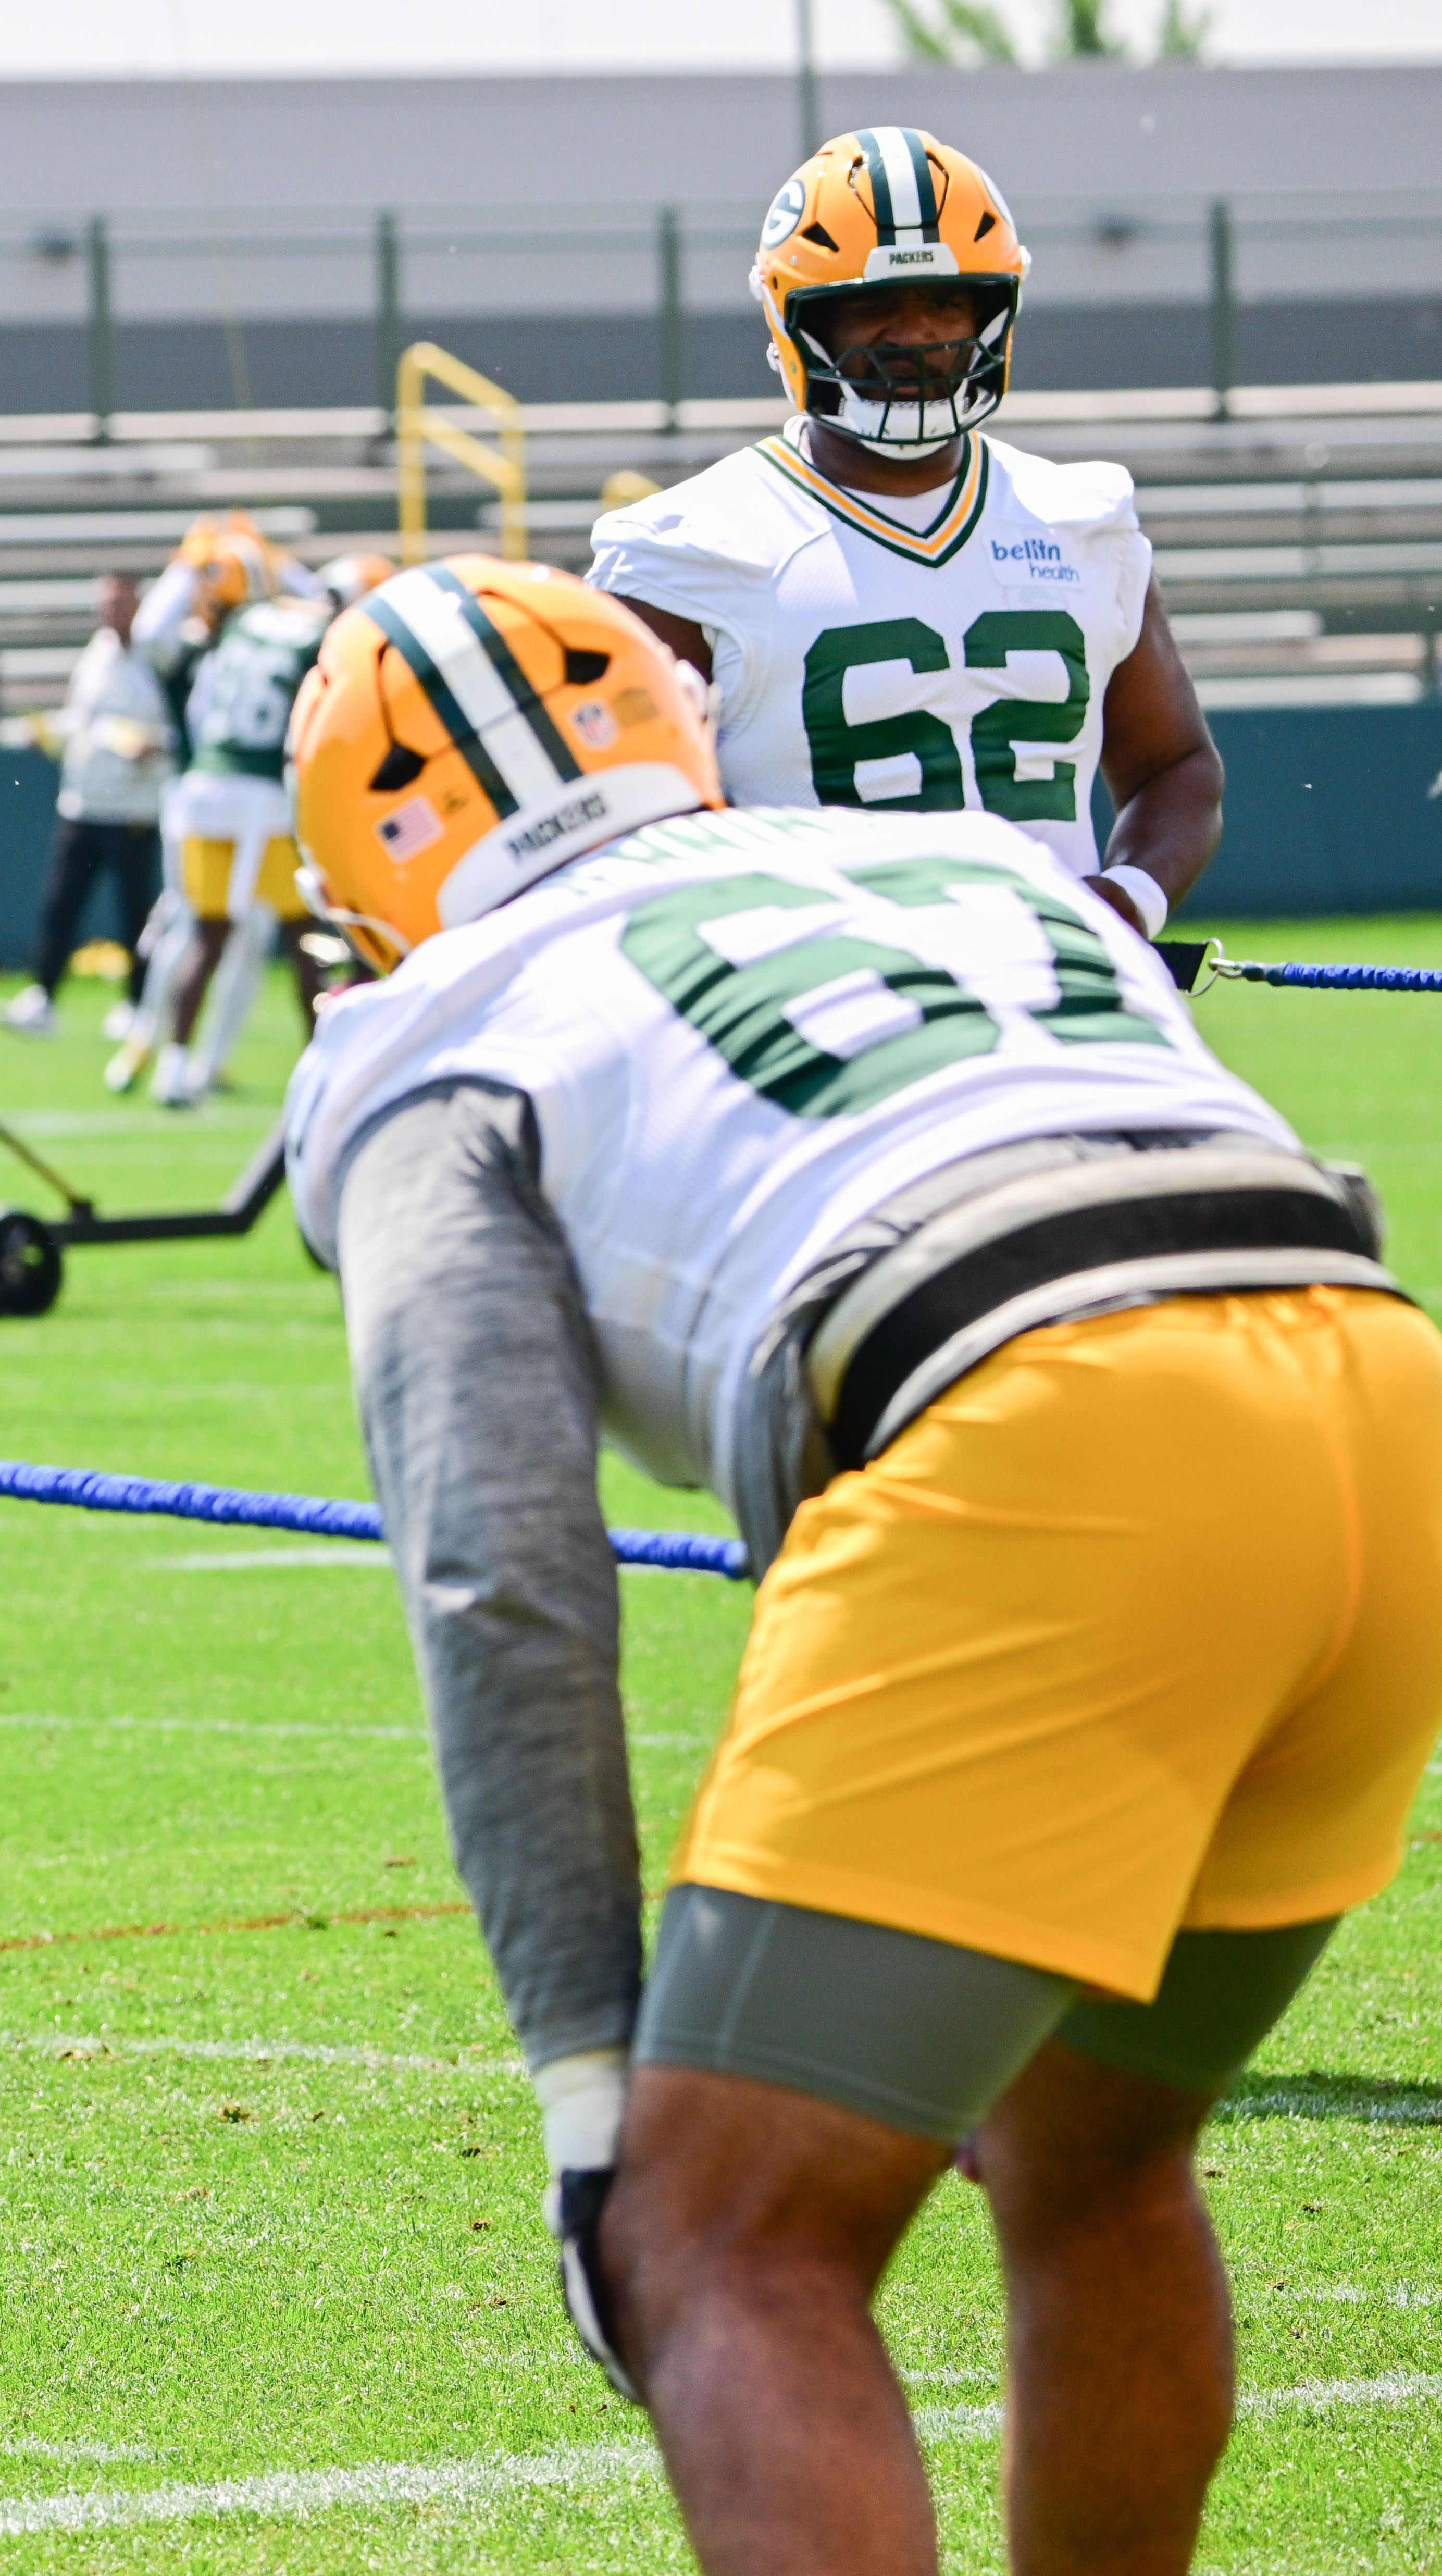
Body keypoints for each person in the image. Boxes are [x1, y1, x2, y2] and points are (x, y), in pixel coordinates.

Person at [279, 557, 1438, 2572]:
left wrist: (585, 2092)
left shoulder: (429, 1020)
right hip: (1371, 1376)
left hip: (1038, 1411)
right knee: (1094, 2157)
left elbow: (499, 1560)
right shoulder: (966, 861)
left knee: (720, 2243)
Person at [590, 128, 1221, 947]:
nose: (916, 334)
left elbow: (1176, 768)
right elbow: (619, 835)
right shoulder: (685, 551)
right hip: (826, 1026)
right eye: (870, 306)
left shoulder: (1081, 520)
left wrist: (1128, 898)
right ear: (795, 319)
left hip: (1064, 1004)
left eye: (948, 301)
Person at [136, 547, 393, 1109]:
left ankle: (173, 1066)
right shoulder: (324, 636)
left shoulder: (250, 621)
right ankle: (323, 1063)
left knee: (208, 931)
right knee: (303, 930)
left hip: (204, 785)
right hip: (262, 793)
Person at [0, 569, 168, 1045]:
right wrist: (47, 732)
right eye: (105, 602)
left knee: (136, 913)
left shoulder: (159, 657)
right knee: (60, 906)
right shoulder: (97, 654)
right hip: (83, 804)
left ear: (138, 603)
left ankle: (136, 1006)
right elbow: (83, 721)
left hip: (134, 808)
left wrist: (153, 747)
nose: (109, 611)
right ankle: (43, 998)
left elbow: (178, 728)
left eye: (119, 602)